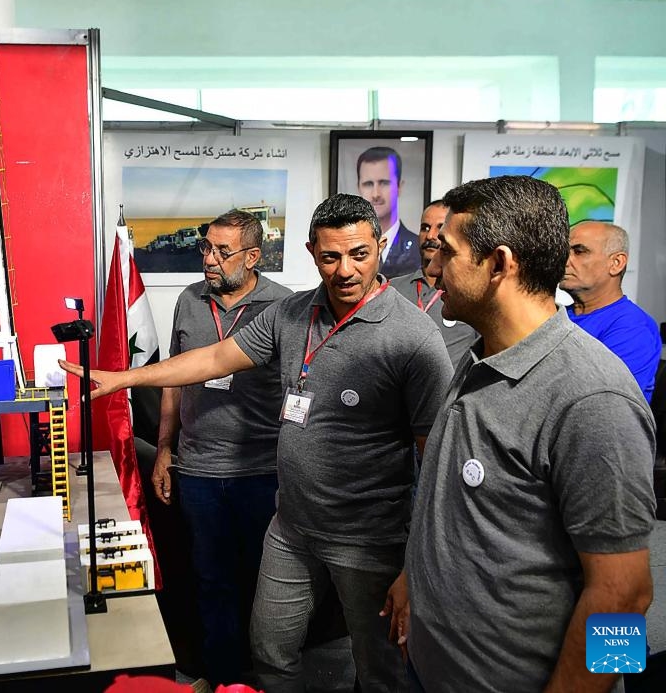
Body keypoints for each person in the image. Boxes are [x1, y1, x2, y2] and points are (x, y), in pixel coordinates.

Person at [62, 193, 452, 693]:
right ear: (312, 252)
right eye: (331, 257)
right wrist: (122, 378)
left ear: (379, 246)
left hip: (368, 539)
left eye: (360, 254)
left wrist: (413, 566)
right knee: (270, 651)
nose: (346, 270)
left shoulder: (413, 337)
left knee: (379, 668)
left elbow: (434, 460)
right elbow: (214, 358)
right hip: (291, 528)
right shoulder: (291, 314)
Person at [387, 176, 656, 693]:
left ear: (499, 264)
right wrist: (413, 576)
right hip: (435, 667)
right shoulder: (480, 357)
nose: (434, 268)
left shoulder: (592, 399)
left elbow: (626, 597)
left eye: (450, 252)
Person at [152, 209, 291, 687]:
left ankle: (259, 679)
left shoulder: (285, 306)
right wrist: (165, 448)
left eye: (221, 251)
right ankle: (221, 676)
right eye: (205, 248)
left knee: (264, 582)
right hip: (199, 470)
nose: (209, 259)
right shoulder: (189, 301)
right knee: (210, 580)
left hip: (262, 471)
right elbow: (172, 380)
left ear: (253, 257)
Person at [560, 220, 660, 403]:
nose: (564, 260)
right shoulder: (555, 315)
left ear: (616, 263)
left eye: (579, 251)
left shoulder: (633, 328)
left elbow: (598, 402)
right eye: (564, 251)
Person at [389, 200, 476, 364]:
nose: (430, 235)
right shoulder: (393, 289)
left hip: (453, 388)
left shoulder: (468, 293)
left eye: (439, 228)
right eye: (425, 228)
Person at [356, 146, 417, 279]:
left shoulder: (419, 249)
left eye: (384, 183)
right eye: (368, 184)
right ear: (359, 188)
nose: (376, 194)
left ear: (399, 187)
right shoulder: (348, 250)